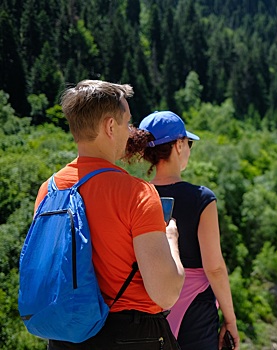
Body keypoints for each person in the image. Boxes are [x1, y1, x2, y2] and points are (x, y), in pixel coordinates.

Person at [36, 80, 185, 349]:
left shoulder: (49, 189)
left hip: (64, 336)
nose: (131, 132)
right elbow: (166, 294)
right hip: (131, 335)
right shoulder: (137, 192)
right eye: (127, 123)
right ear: (109, 126)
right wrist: (171, 240)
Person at [125, 111, 240, 350]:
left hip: (147, 306)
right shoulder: (201, 198)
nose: (188, 149)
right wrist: (230, 319)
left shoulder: (134, 195)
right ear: (178, 145)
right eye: (188, 144)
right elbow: (215, 268)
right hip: (195, 312)